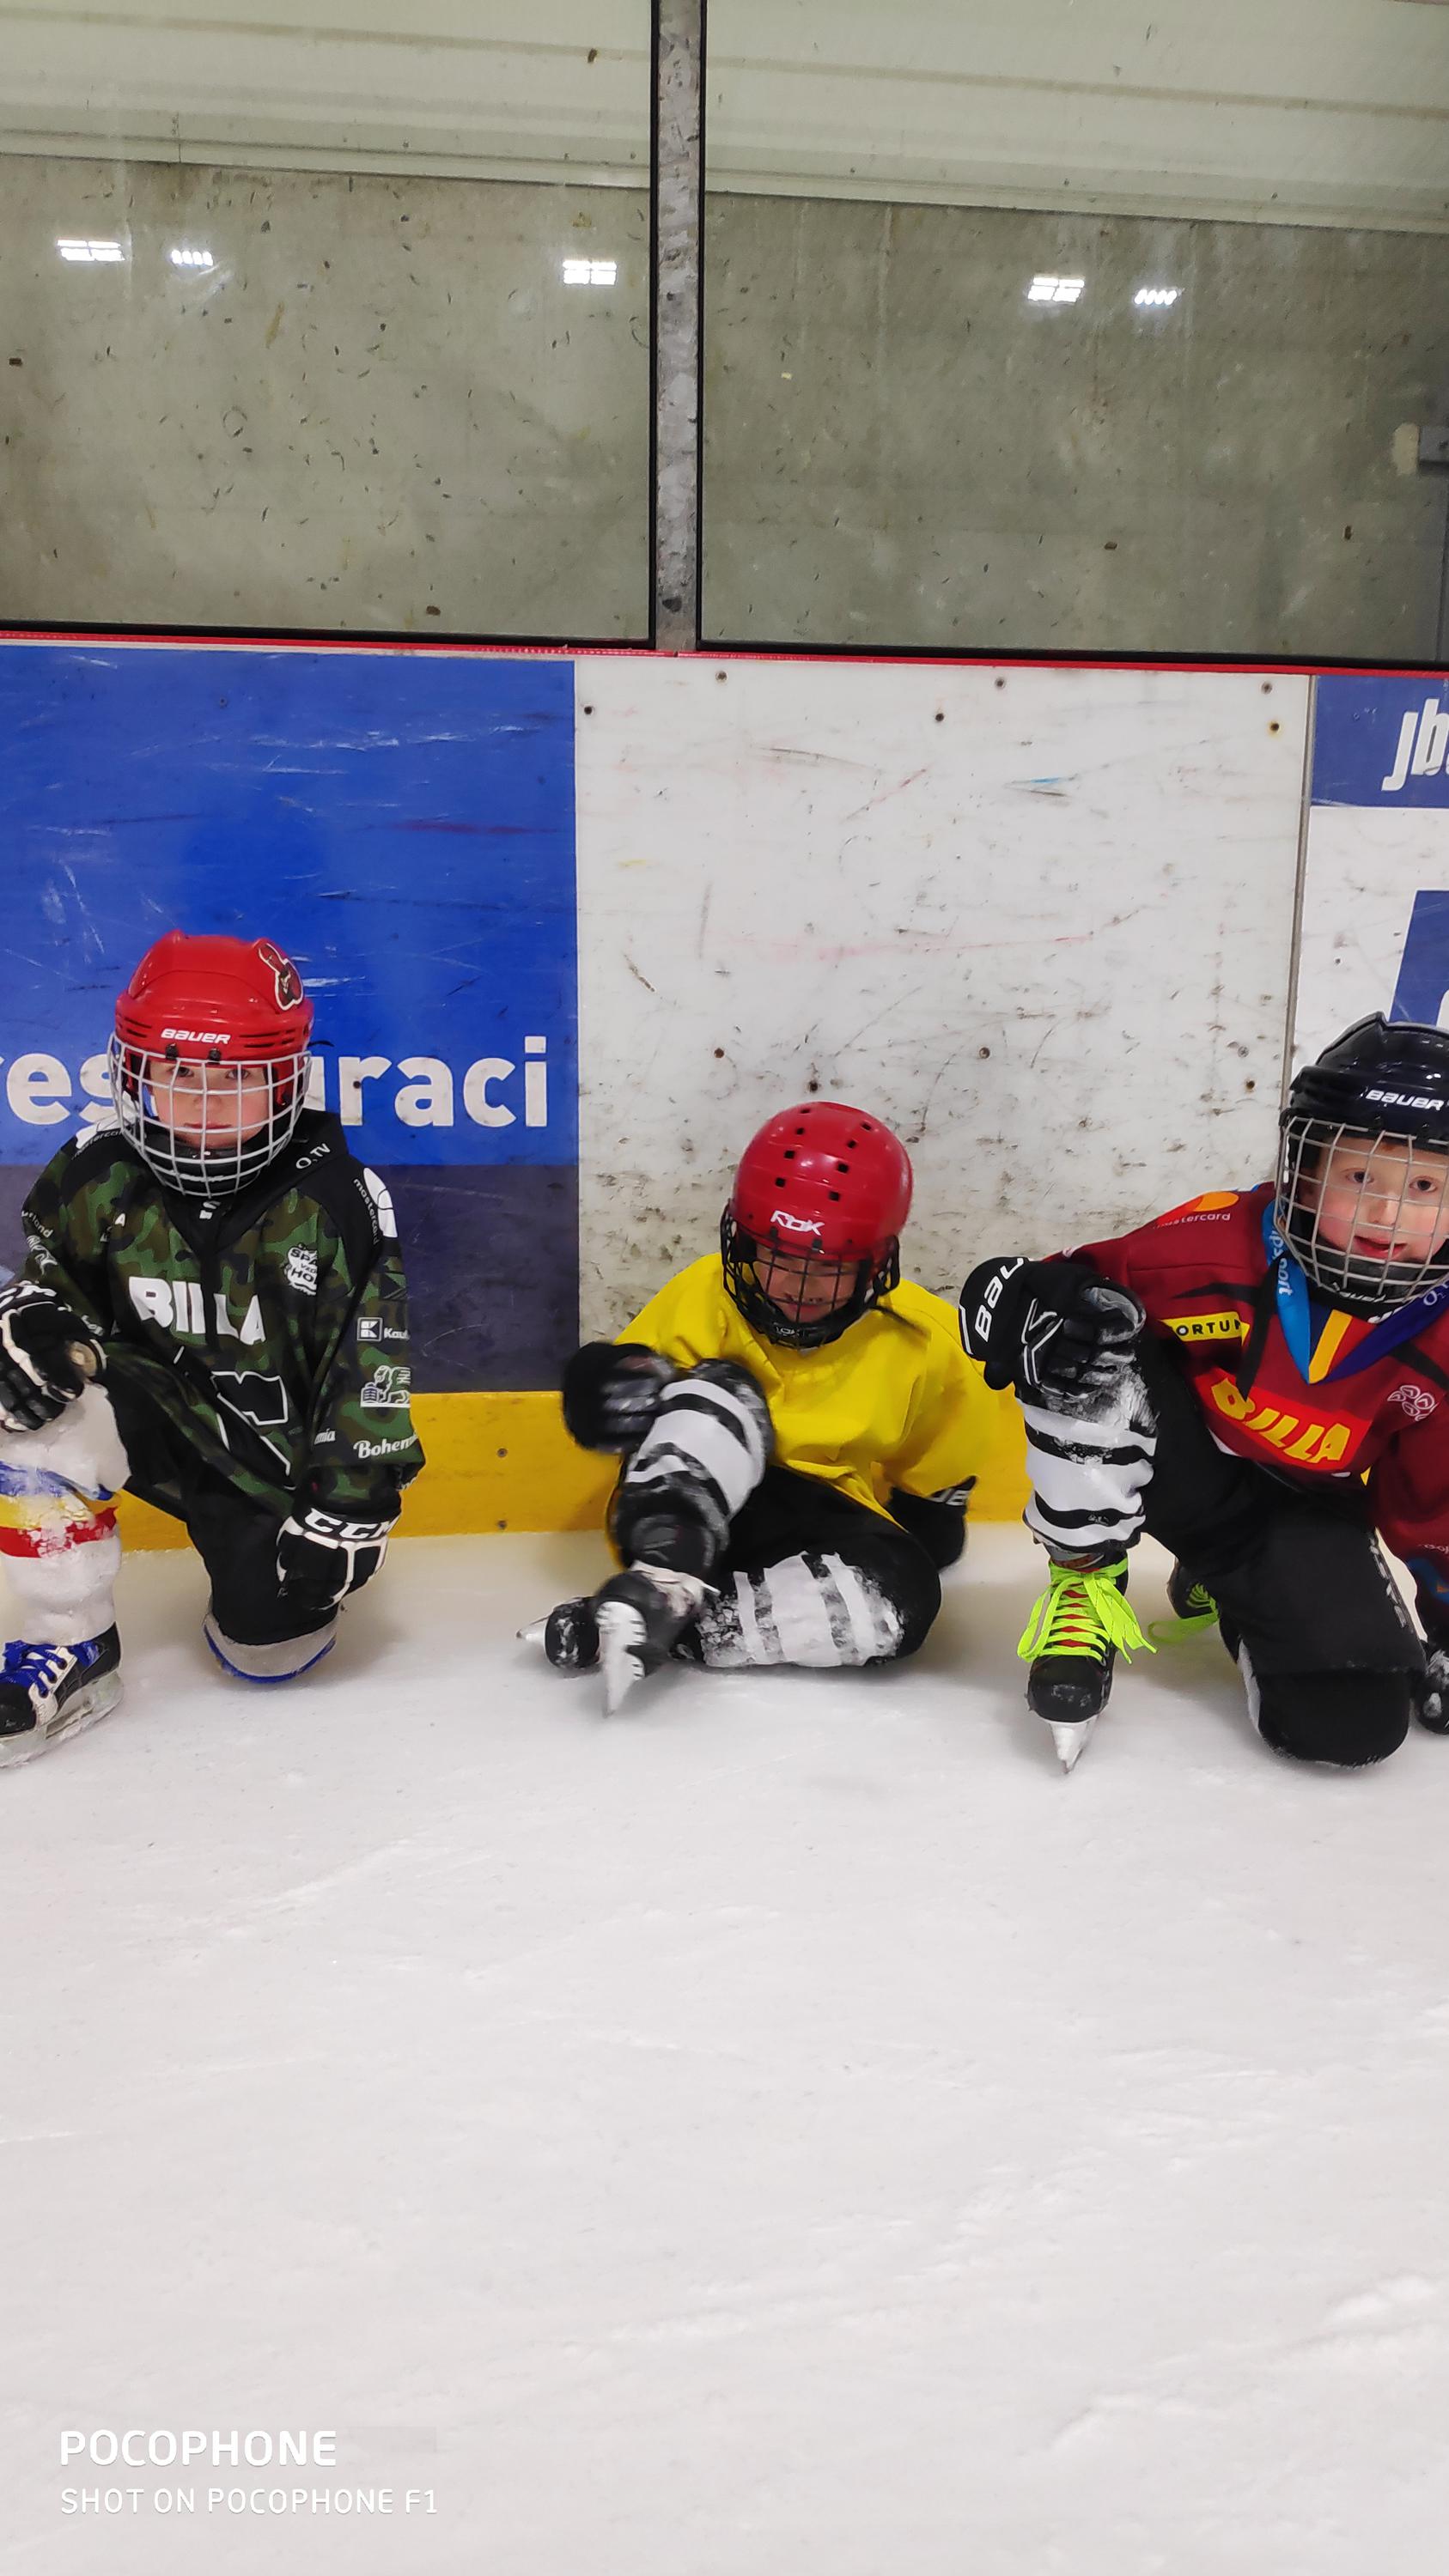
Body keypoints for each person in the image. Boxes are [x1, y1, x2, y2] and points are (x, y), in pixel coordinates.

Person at [960, 1014, 1449, 1771]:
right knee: (1085, 1332)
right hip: (1173, 1471)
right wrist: (1032, 1299)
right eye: (1359, 1178)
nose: (1384, 1216)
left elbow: (1433, 1504)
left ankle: (1231, 1596)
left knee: (1350, 1728)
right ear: (1306, 1170)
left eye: (1422, 1186)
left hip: (1296, 1512)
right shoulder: (1218, 1240)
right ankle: (1084, 1582)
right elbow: (1039, 1291)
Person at [0, 930, 423, 1763]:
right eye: (180, 1074)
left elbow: (367, 1366)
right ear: (138, 1072)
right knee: (30, 1405)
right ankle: (71, 1642)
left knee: (267, 1651)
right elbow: (52, 1304)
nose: (199, 1101)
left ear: (284, 1082)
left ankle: (255, 1581)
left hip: (269, 1460)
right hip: (146, 1412)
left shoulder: (334, 1200)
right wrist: (26, 1321)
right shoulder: (95, 1175)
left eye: (232, 1079)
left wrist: (351, 1504)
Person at [526, 1101, 994, 1711]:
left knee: (907, 1595)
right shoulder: (701, 1293)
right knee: (723, 1390)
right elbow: (634, 1399)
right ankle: (666, 1579)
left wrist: (927, 1526)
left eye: (827, 1269)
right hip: (685, 1512)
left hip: (819, 1530)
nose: (799, 1289)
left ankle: (676, 1628)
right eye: (778, 1258)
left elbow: (939, 1471)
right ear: (740, 1239)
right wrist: (602, 1393)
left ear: (878, 1263)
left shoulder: (925, 1337)